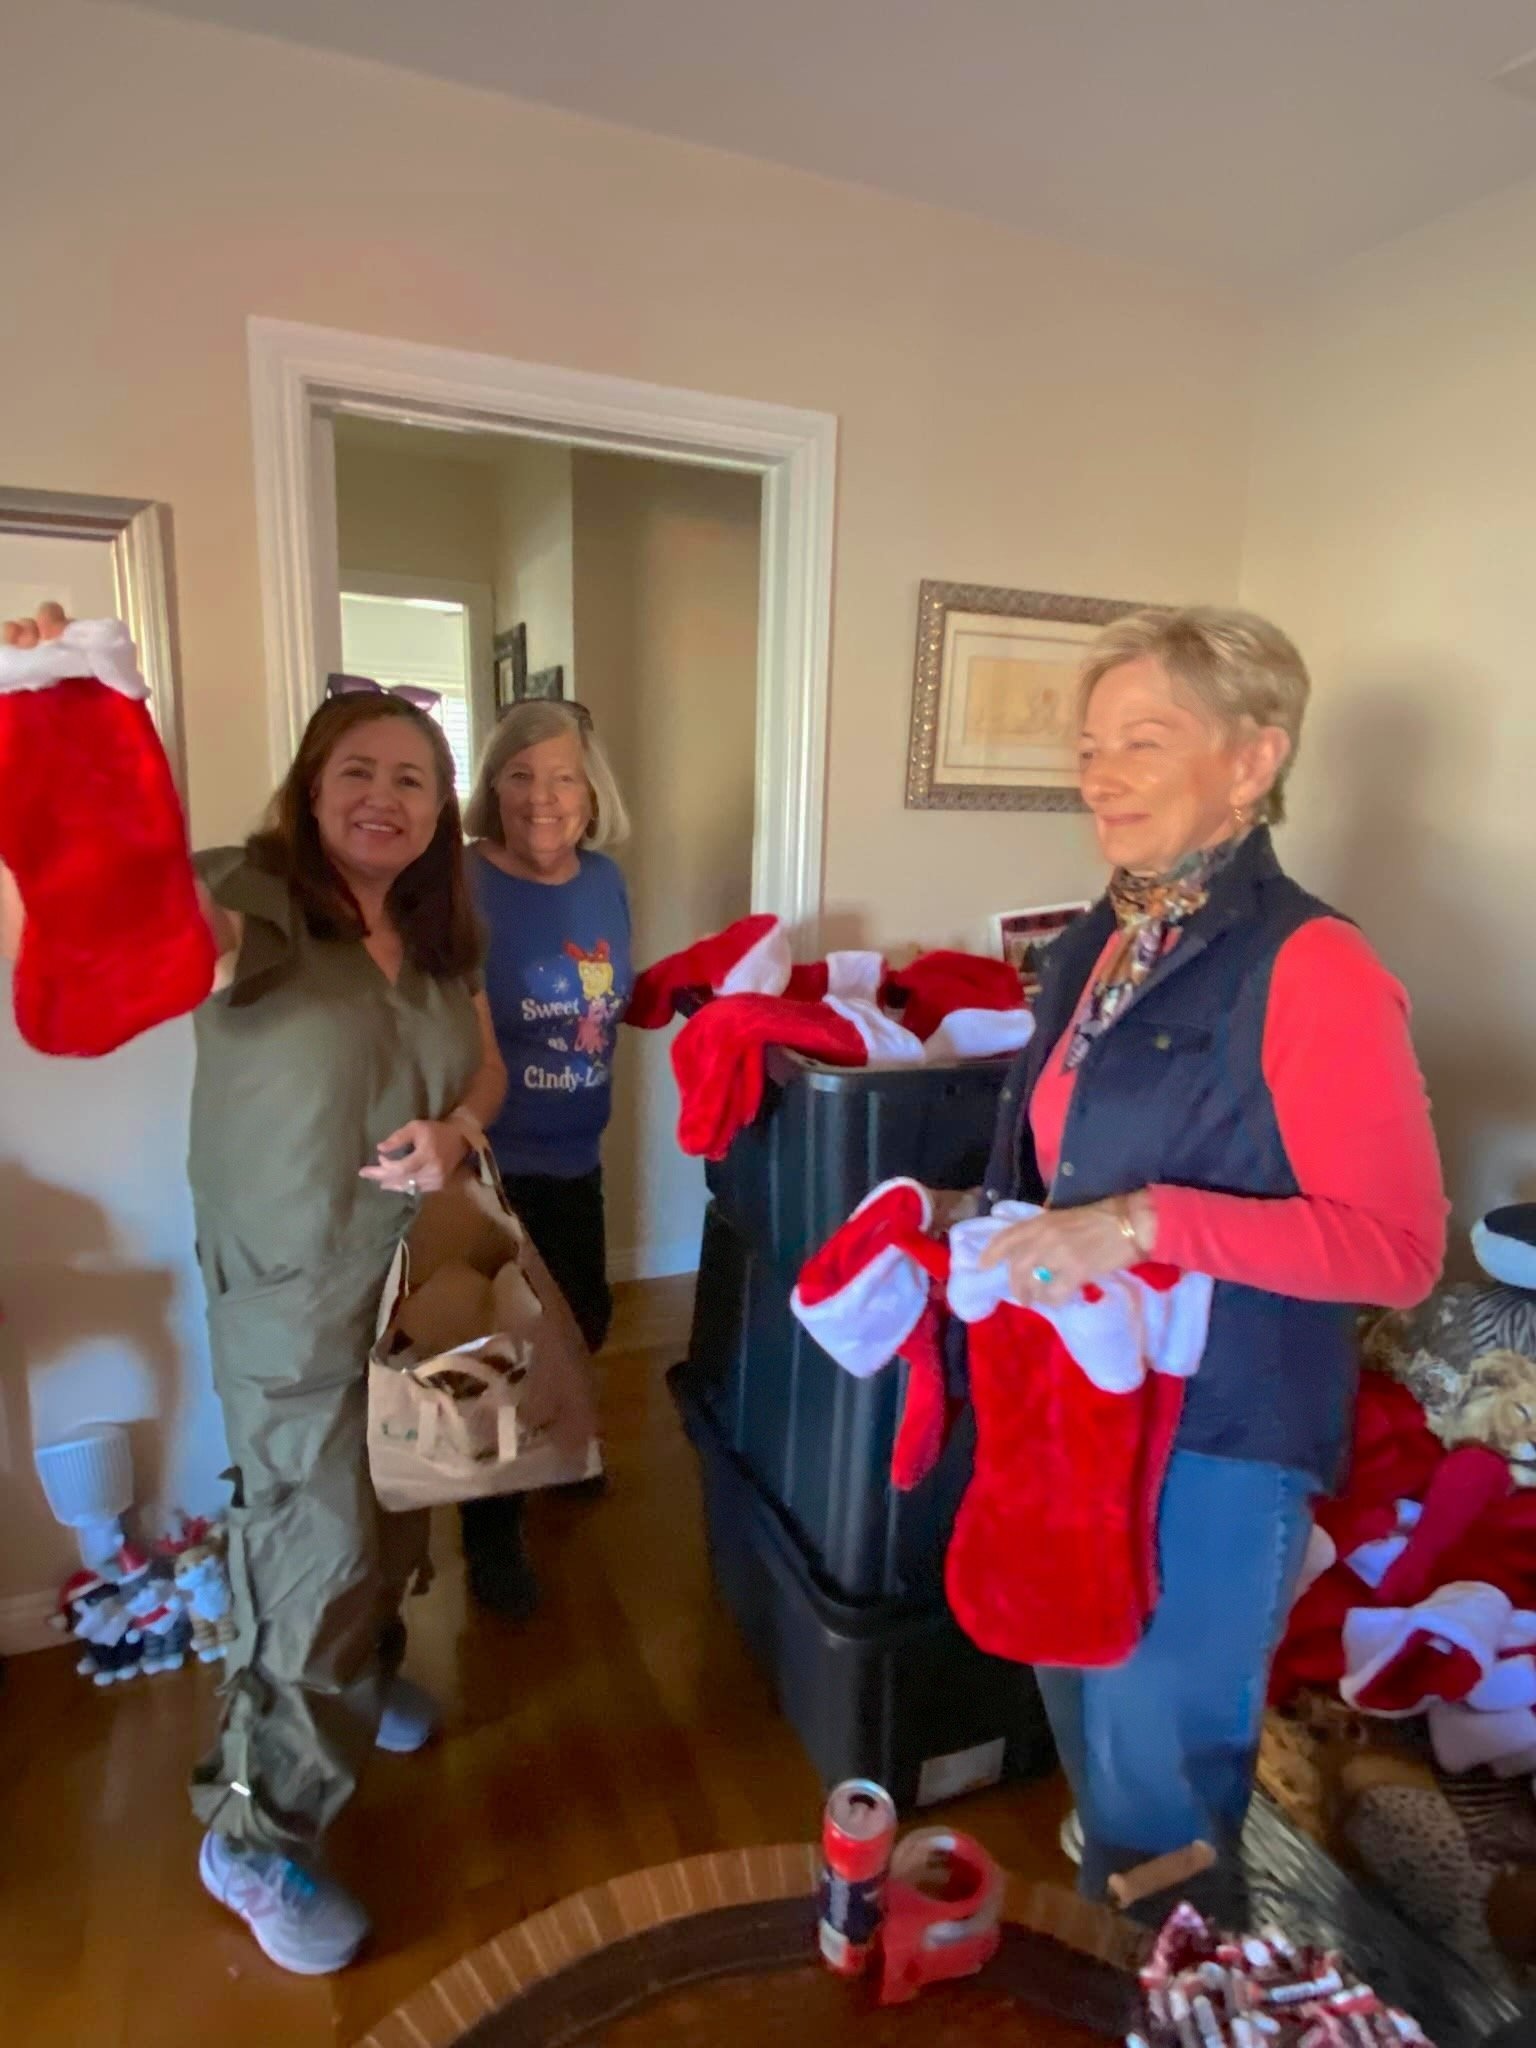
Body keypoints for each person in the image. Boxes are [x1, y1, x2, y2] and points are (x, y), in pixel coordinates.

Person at [4, 621, 507, 1976]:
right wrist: (84, 733)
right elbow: (138, 924)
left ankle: (365, 1662)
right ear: (309, 783)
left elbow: (487, 1075)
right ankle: (256, 1830)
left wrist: (456, 1132)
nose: (385, 797)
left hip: (412, 1275)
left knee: (400, 1495)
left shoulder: (441, 931)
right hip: (291, 1292)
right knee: (314, 1550)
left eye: (414, 777)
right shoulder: (254, 900)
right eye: (359, 768)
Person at [959, 606, 1446, 1905]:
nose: (1098, 772)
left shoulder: (1315, 965)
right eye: (1088, 744)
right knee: (1092, 1724)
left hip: (1218, 1440)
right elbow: (1057, 1166)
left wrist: (1142, 1222)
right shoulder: (1103, 944)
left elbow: (1398, 1253)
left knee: (1163, 1785)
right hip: (1081, 1410)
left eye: (1144, 740)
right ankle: (1141, 1947)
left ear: (1251, 759)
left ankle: (1176, 1981)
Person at [457, 699, 633, 1613]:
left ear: (591, 791)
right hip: (491, 1159)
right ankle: (491, 1537)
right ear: (492, 788)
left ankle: (559, 1456)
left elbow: (603, 999)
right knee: (499, 1355)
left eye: (563, 775)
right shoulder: (457, 884)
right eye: (520, 775)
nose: (542, 797)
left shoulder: (603, 879)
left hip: (577, 1149)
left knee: (584, 1318)